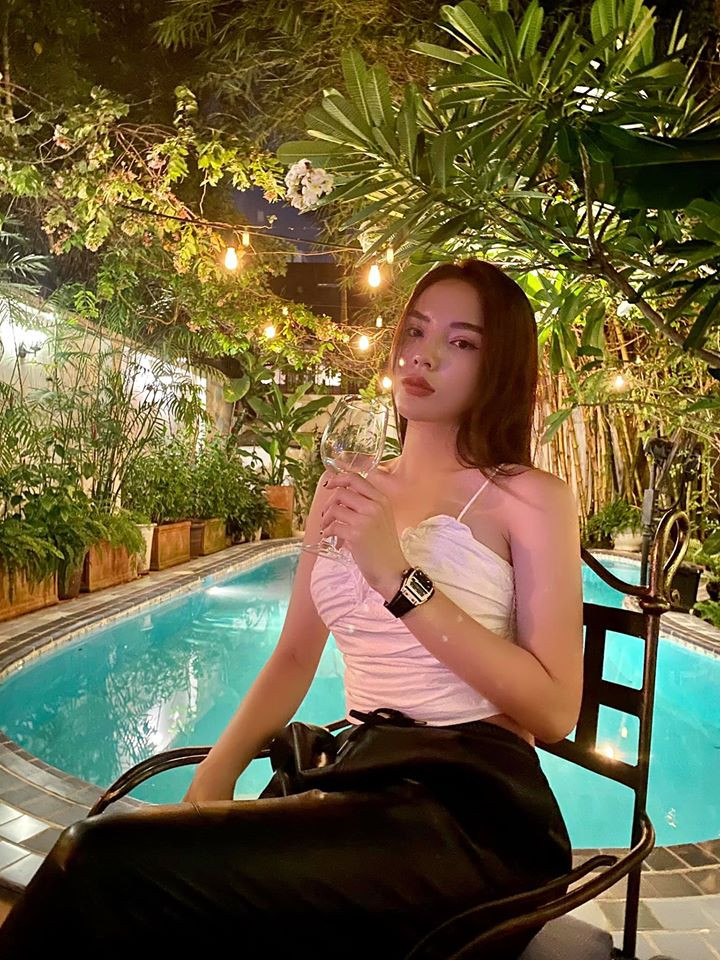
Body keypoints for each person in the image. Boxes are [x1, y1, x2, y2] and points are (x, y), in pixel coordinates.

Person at [0, 259, 583, 959]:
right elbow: (295, 655)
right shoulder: (345, 488)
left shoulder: (529, 499)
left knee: (94, 858)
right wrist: (217, 770)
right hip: (359, 776)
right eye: (416, 331)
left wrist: (397, 576)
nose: (424, 355)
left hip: (468, 808)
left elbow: (555, 711)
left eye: (461, 342)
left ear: (500, 366)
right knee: (143, 888)